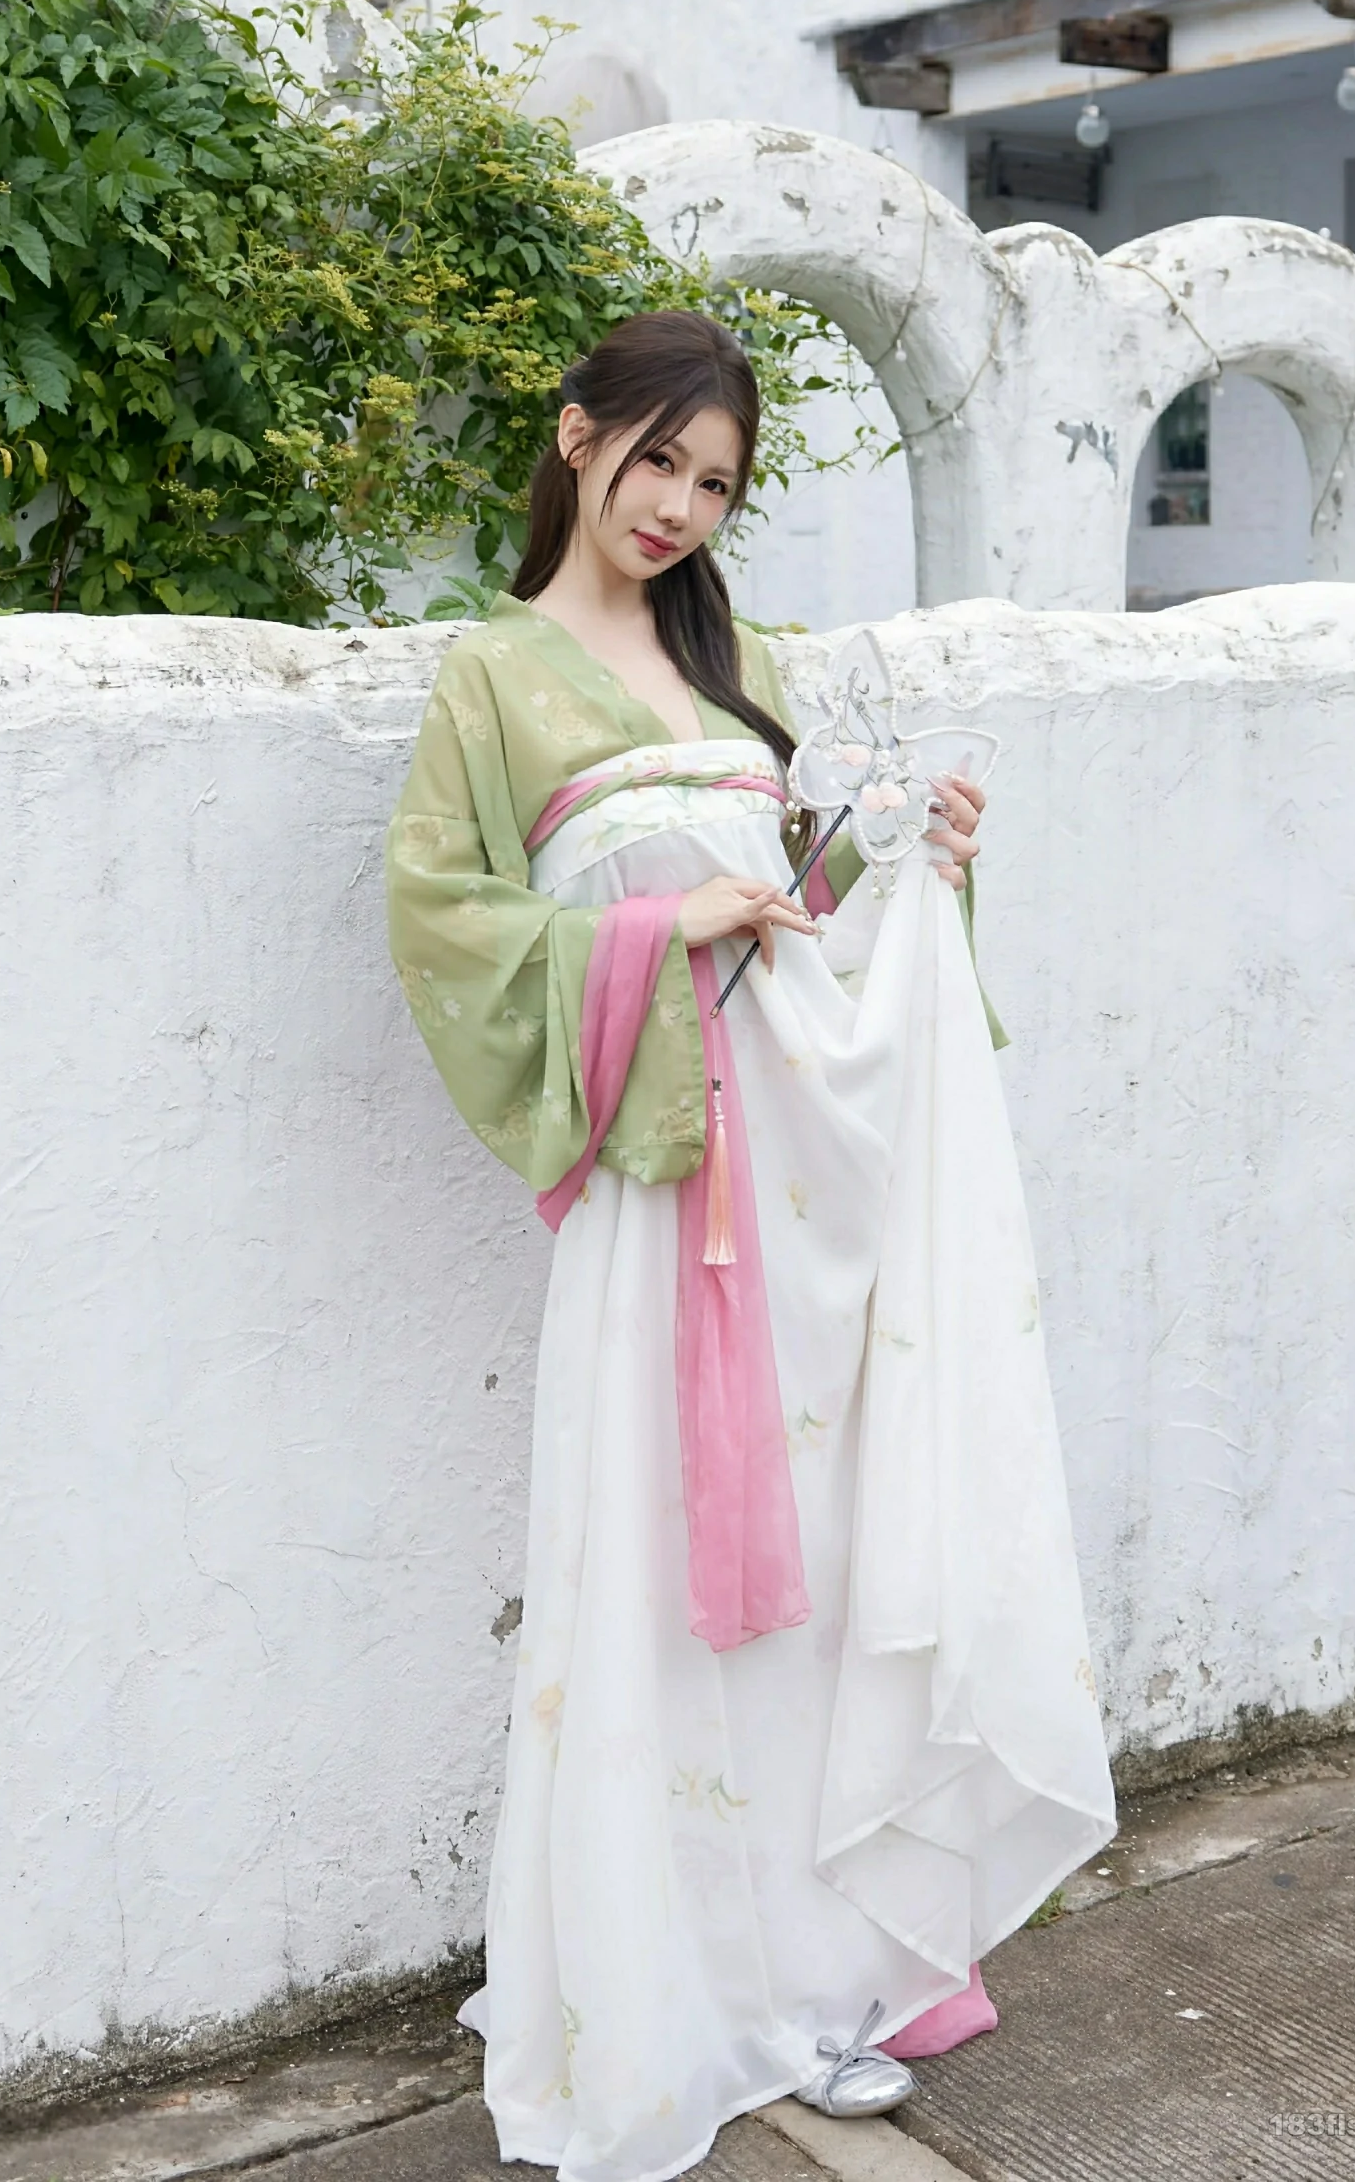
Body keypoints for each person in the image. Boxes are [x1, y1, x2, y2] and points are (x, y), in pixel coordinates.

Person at [387, 310, 1115, 2182]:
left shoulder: (749, 673)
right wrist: (653, 928)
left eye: (715, 485)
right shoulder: (494, 676)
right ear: (577, 437)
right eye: (657, 463)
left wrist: (912, 851)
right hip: (660, 1197)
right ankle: (672, 1977)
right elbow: (449, 931)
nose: (679, 509)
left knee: (825, 1569)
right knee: (658, 1570)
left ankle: (826, 1970)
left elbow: (807, 914)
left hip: (802, 1200)